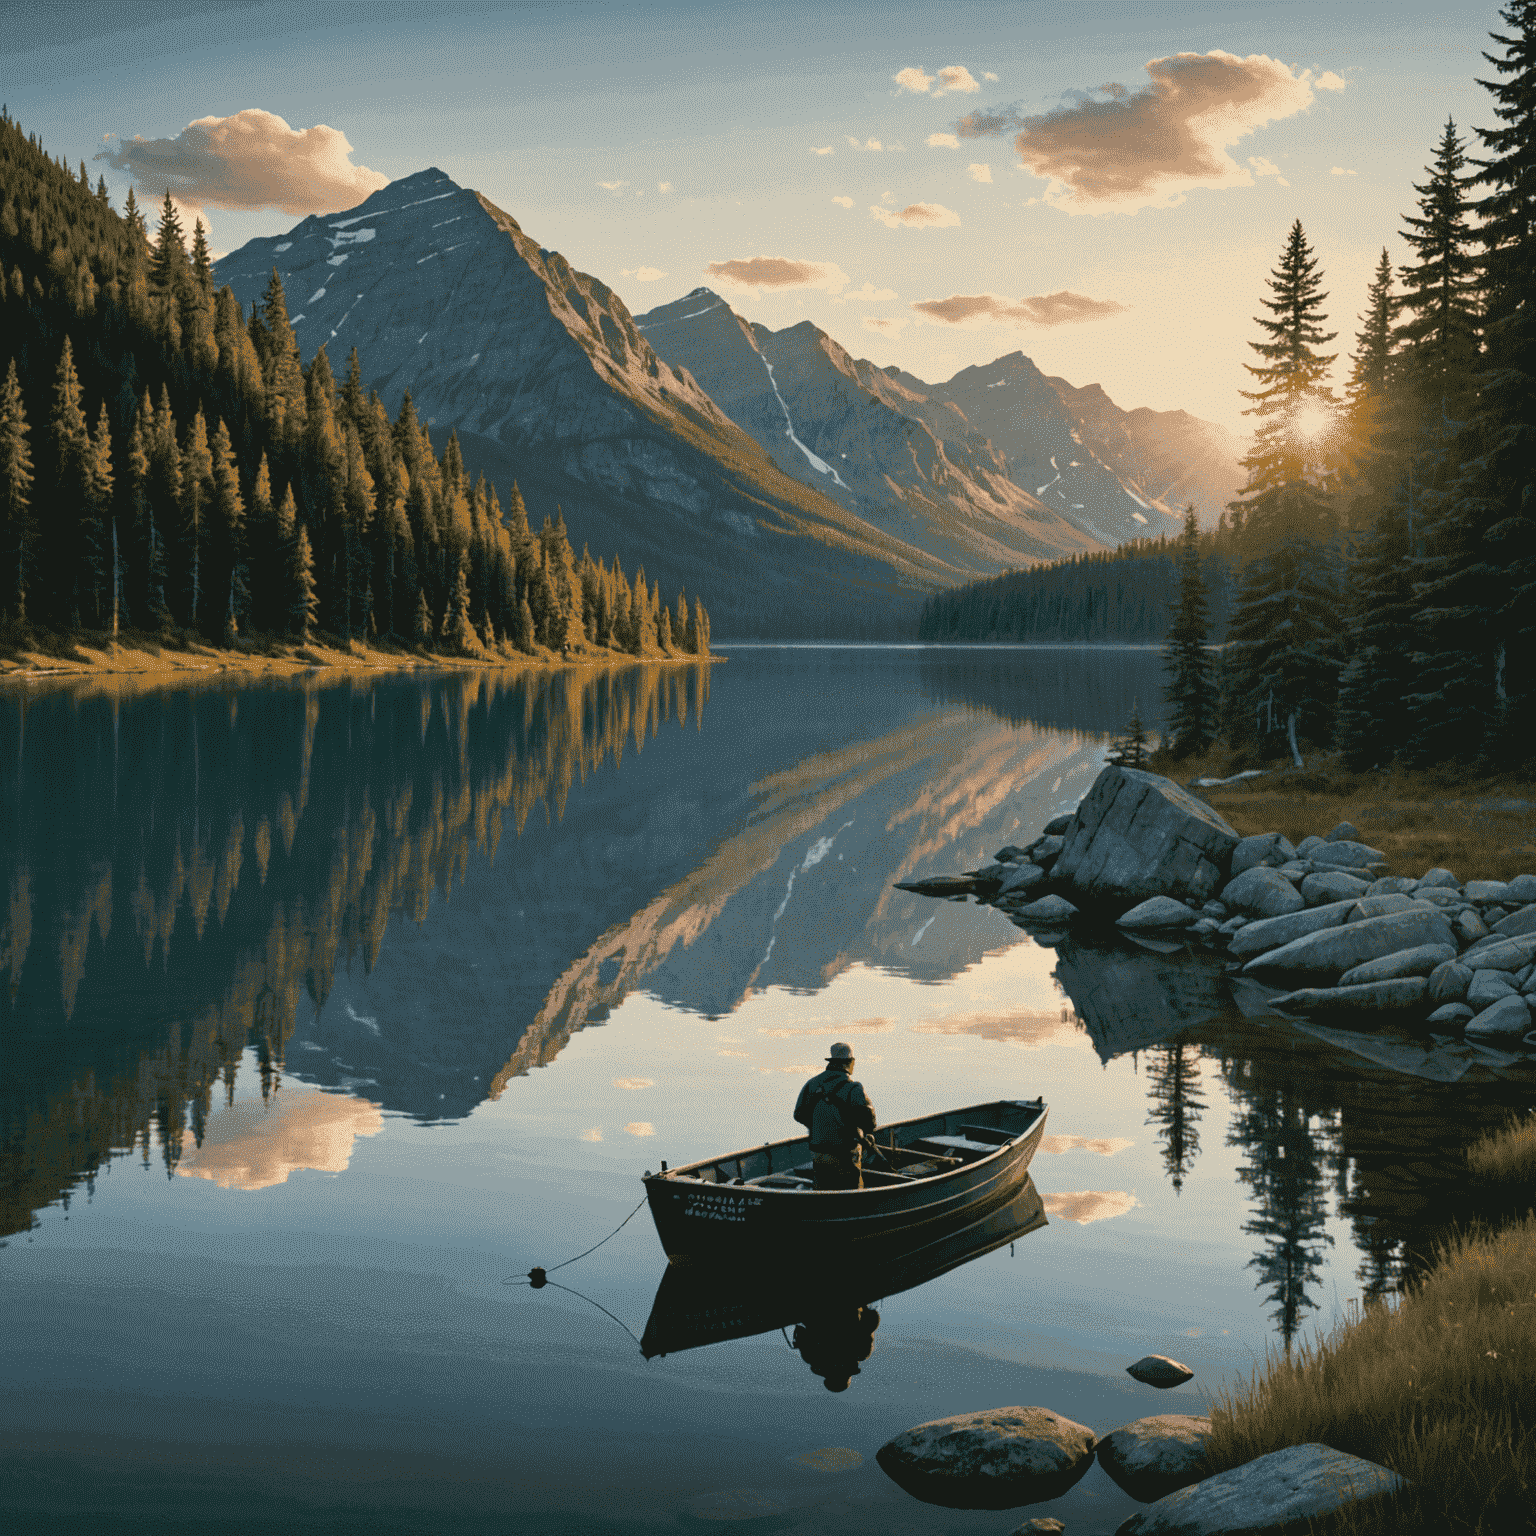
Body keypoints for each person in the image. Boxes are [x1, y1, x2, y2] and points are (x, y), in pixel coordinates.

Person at [793, 1043, 876, 1190]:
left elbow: (799, 1114)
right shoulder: (854, 1088)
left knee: (823, 1194)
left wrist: (819, 1126)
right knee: (852, 1196)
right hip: (845, 1155)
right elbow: (870, 1122)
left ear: (831, 1062)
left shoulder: (811, 1084)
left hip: (818, 1153)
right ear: (850, 1062)